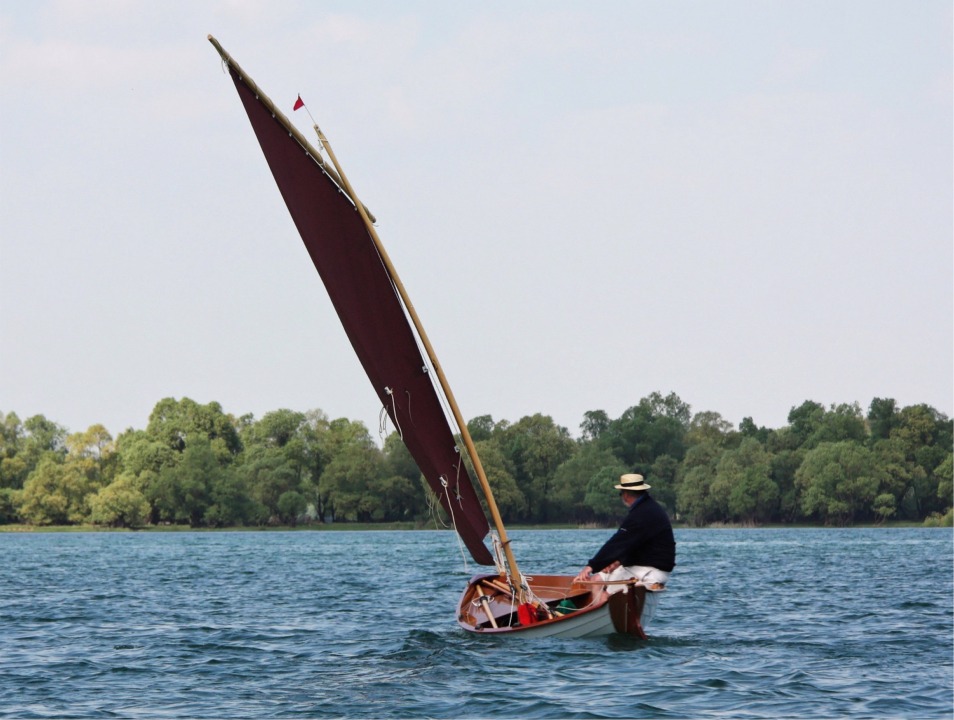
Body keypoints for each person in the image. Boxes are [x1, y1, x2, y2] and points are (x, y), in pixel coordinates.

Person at [574, 473, 676, 597]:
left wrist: (591, 566)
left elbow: (617, 543)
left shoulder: (641, 514)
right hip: (652, 569)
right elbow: (637, 544)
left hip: (650, 571)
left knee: (598, 584)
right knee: (598, 579)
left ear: (626, 494)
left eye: (621, 493)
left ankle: (602, 611)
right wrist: (618, 561)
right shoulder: (650, 508)